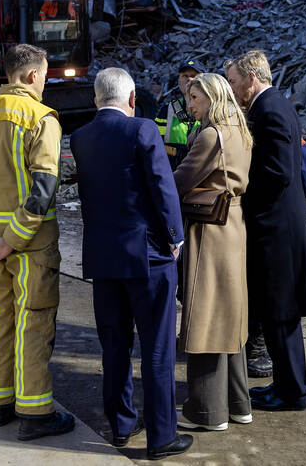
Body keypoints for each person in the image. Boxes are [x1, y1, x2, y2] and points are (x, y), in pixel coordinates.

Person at [0, 44, 75, 440]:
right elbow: (43, 190)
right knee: (32, 323)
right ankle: (35, 414)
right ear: (32, 75)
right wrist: (11, 240)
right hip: (29, 247)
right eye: (45, 76)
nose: (45, 83)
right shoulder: (42, 119)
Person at [70, 68, 193, 461]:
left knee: (115, 345)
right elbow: (162, 187)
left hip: (102, 256)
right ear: (133, 98)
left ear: (95, 99)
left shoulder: (80, 137)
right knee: (157, 347)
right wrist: (175, 236)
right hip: (147, 256)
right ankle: (162, 435)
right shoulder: (143, 130)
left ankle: (122, 425)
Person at [225, 50, 306, 411]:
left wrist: (242, 194)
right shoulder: (274, 105)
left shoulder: (269, 110)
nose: (232, 89)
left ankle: (292, 392)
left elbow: (279, 172)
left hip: (277, 230)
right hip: (279, 227)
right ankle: (285, 384)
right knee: (277, 314)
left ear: (251, 78)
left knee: (281, 315)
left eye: (234, 81)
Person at [172, 73, 253, 431]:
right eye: (189, 97)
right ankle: (238, 404)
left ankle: (207, 412)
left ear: (213, 97)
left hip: (209, 229)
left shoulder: (210, 134)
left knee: (205, 317)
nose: (190, 104)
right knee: (230, 316)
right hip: (233, 225)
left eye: (196, 97)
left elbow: (180, 181)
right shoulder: (239, 128)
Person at [155, 60, 202, 170]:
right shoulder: (166, 111)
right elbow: (155, 146)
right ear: (179, 80)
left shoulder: (211, 111)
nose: (189, 79)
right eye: (185, 76)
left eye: (194, 76)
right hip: (171, 174)